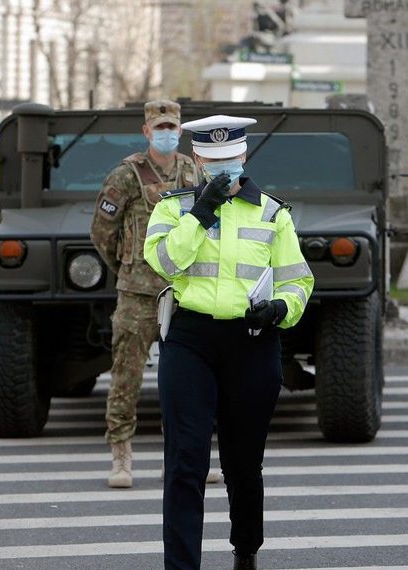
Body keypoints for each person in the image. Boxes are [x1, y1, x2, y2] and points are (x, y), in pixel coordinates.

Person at [144, 115, 314, 570]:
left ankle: (246, 549)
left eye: (230, 159)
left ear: (244, 155)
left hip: (252, 342)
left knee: (243, 463)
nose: (222, 168)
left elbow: (297, 280)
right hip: (190, 341)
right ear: (197, 159)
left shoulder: (273, 213)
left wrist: (279, 308)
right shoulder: (173, 208)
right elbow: (163, 261)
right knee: (185, 460)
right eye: (212, 161)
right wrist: (201, 214)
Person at [92, 99, 218, 488]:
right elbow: (103, 232)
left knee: (186, 380)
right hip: (137, 292)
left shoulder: (192, 171)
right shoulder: (127, 175)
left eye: (172, 127)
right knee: (126, 375)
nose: (166, 133)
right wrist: (128, 266)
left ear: (180, 131)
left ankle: (179, 455)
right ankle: (121, 456)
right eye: (159, 127)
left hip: (183, 289)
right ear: (146, 131)